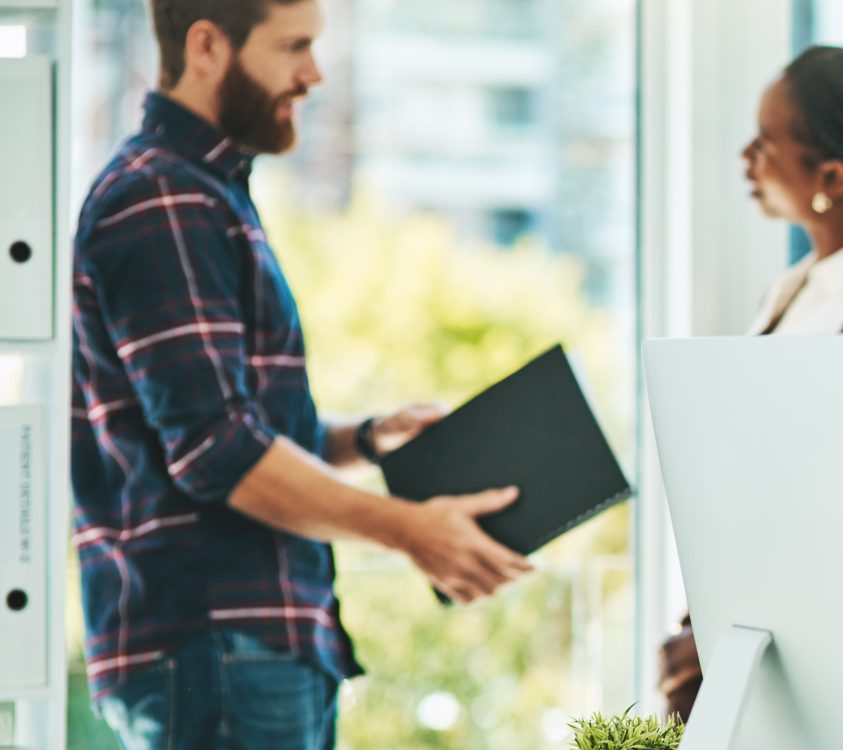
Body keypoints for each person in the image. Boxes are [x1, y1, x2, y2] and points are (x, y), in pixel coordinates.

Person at [72, 1, 531, 746]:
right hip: (220, 644)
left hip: (245, 649)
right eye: (295, 47)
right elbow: (219, 453)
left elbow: (232, 428)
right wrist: (410, 531)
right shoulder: (164, 198)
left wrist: (370, 438)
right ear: (207, 47)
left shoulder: (205, 194)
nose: (314, 75)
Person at [657, 44, 843, 720]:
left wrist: (721, 632)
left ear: (831, 174)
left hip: (835, 637)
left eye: (765, 142)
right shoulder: (799, 287)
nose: (748, 158)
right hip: (765, 618)